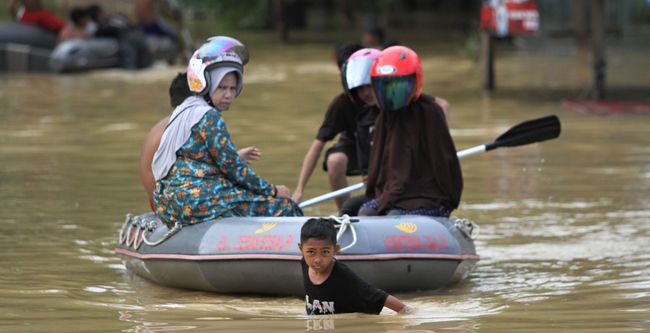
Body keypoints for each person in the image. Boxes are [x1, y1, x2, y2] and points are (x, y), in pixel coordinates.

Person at [152, 36, 302, 227]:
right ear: (207, 84)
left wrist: (237, 158)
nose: (229, 95)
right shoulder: (209, 117)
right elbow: (234, 170)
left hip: (168, 204)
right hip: (196, 201)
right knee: (285, 207)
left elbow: (201, 161)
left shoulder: (185, 110)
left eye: (233, 88)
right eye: (222, 87)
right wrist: (273, 191)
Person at [359, 45, 463, 217]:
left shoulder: (430, 112)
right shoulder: (385, 117)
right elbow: (381, 166)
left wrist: (447, 202)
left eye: (397, 87)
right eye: (384, 87)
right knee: (363, 212)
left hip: (426, 195)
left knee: (393, 217)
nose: (390, 93)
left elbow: (444, 164)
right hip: (393, 192)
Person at [140, 71, 261, 211]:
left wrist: (236, 157)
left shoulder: (168, 127)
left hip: (160, 201)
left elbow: (193, 168)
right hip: (168, 205)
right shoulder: (183, 128)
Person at [292, 42, 364, 210]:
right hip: (356, 147)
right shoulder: (341, 103)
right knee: (335, 161)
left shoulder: (385, 95)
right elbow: (316, 147)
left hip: (382, 148)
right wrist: (299, 189)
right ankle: (346, 214)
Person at [299, 218, 412, 315]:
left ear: (335, 250)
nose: (317, 260)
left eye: (325, 252)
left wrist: (407, 312)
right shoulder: (304, 263)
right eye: (311, 252)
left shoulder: (343, 276)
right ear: (301, 249)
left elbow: (379, 296)